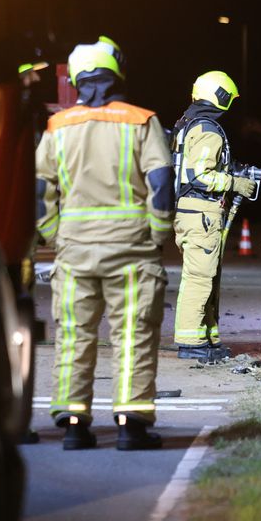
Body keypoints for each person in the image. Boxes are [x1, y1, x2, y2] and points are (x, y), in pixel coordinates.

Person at [34, 37, 173, 450]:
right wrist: (157, 233)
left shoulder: (58, 127)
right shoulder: (142, 121)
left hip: (74, 252)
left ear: (78, 79)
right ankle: (131, 426)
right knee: (133, 334)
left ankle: (75, 425)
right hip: (132, 251)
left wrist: (54, 236)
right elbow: (161, 183)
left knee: (74, 336)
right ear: (117, 73)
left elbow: (41, 188)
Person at [170, 71, 256, 360]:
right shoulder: (207, 128)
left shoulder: (189, 123)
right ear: (219, 96)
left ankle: (205, 336)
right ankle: (191, 342)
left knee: (206, 275)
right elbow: (199, 175)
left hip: (192, 212)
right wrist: (234, 183)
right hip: (201, 212)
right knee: (199, 277)